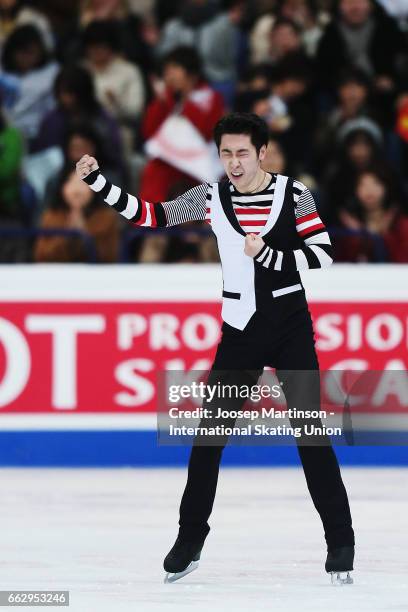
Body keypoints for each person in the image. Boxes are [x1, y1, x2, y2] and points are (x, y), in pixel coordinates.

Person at [76, 112, 355, 585]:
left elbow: (323, 251)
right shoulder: (210, 196)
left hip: (289, 327)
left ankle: (341, 542)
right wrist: (100, 182)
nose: (234, 162)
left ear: (262, 152)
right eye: (226, 152)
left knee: (311, 436)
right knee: (207, 438)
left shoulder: (295, 194)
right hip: (240, 330)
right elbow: (151, 215)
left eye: (242, 152)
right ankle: (189, 540)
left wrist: (268, 254)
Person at [35, 167, 119, 263]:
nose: (77, 190)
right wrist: (67, 234)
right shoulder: (51, 217)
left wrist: (84, 233)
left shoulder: (106, 218)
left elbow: (109, 256)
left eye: (84, 183)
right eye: (72, 182)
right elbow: (41, 255)